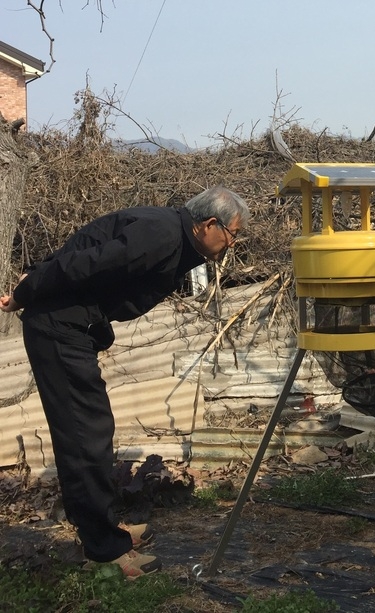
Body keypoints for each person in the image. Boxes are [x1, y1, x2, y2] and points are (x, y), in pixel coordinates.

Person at [0, 186, 250, 578]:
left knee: (90, 432)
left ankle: (102, 529)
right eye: (233, 234)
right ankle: (104, 550)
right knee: (85, 437)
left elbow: (89, 245)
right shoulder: (163, 235)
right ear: (209, 224)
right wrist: (27, 289)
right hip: (58, 328)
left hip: (71, 327)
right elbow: (88, 262)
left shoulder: (171, 234)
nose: (232, 243)